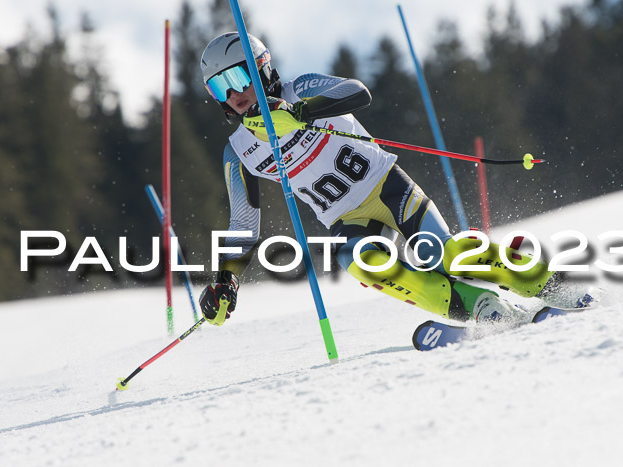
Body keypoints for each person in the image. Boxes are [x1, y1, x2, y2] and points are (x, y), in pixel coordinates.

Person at [197, 32, 564, 327]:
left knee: (445, 254)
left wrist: (299, 113)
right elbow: (243, 222)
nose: (232, 94)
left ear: (262, 67)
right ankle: (477, 306)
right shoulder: (239, 151)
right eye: (219, 87)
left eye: (237, 77)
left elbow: (357, 92)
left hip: (387, 186)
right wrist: (226, 281)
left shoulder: (301, 88)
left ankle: (549, 283)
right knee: (358, 261)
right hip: (348, 218)